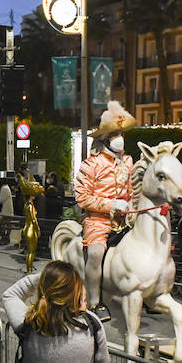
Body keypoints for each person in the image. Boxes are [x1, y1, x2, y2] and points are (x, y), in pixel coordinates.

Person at [74, 100, 136, 320]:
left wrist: (133, 206)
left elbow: (132, 190)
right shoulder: (90, 165)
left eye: (120, 133)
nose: (119, 138)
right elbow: (82, 197)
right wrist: (110, 205)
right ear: (104, 139)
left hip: (124, 220)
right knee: (96, 253)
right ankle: (94, 302)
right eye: (114, 135)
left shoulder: (128, 162)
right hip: (97, 221)